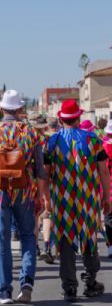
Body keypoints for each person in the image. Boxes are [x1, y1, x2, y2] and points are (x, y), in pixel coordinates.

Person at [0, 90, 50, 304]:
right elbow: (40, 170)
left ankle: (4, 291)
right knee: (29, 236)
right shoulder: (31, 133)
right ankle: (26, 282)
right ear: (20, 109)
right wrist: (41, 196)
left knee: (2, 241)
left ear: (1, 109)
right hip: (25, 192)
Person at [44, 100, 111, 302]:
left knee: (66, 239)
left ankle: (69, 288)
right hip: (88, 199)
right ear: (78, 117)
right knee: (89, 238)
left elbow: (45, 175)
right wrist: (106, 196)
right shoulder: (93, 139)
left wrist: (47, 199)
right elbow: (103, 172)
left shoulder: (53, 141)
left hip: (62, 200)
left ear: (61, 119)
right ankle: (90, 281)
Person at [28, 113, 54, 264]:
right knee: (47, 214)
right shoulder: (48, 140)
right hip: (46, 179)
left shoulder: (27, 140)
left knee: (34, 216)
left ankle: (35, 247)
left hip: (30, 181)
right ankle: (47, 247)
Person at [102, 120, 112, 258]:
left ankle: (111, 246)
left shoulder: (104, 147)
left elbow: (102, 170)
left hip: (109, 188)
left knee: (109, 217)